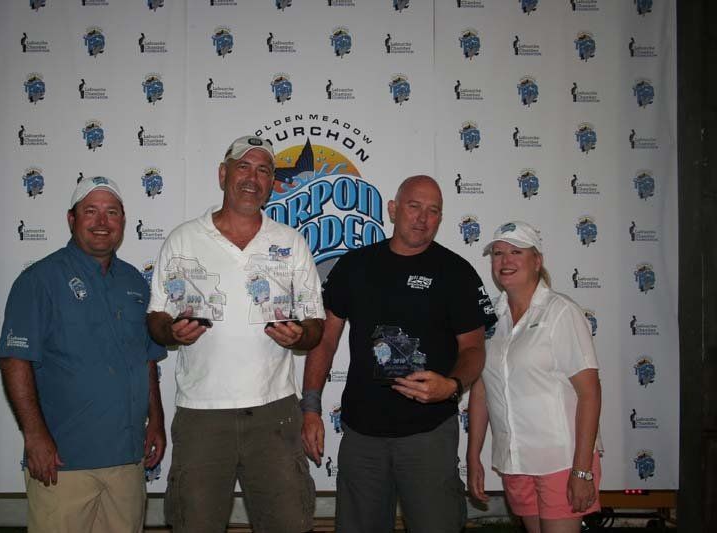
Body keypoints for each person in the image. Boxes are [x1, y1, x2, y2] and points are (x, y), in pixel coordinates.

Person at [146, 135, 325, 533]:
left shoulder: (290, 243)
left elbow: (316, 325)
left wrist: (300, 336)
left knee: (289, 524)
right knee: (195, 524)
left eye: (264, 170)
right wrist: (171, 331)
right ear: (223, 174)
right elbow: (155, 318)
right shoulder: (183, 239)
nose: (253, 178)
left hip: (275, 412)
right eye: (243, 166)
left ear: (272, 183)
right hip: (202, 414)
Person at [301, 175, 496, 533]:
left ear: (440, 218)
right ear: (393, 210)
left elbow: (474, 348)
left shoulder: (456, 273)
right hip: (362, 436)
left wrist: (451, 386)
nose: (422, 218)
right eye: (414, 206)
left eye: (433, 210)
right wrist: (311, 407)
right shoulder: (354, 266)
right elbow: (325, 341)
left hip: (429, 433)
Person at [0, 176, 166, 533]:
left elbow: (146, 358)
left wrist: (157, 420)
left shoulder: (135, 282)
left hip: (126, 460)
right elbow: (14, 360)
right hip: (63, 461)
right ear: (71, 220)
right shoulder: (40, 280)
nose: (102, 222)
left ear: (123, 221)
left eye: (112, 212)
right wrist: (35, 436)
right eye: (91, 211)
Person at [466, 221, 602, 533]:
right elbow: (482, 392)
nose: (505, 261)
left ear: (537, 261)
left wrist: (582, 472)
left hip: (562, 462)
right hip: (515, 462)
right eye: (498, 253)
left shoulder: (561, 312)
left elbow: (590, 393)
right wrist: (474, 456)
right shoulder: (491, 320)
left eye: (516, 252)